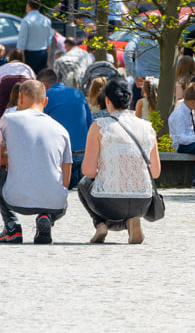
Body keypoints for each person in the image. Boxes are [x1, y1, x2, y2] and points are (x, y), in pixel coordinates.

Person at [78, 77, 160, 244]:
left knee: (83, 185)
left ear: (107, 100)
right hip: (143, 201)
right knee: (127, 203)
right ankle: (131, 222)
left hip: (109, 203)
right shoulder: (147, 127)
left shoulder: (99, 126)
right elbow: (156, 172)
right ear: (130, 99)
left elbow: (88, 171)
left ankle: (100, 224)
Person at [0, 80, 72, 244]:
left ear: (20, 97)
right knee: (57, 193)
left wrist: (8, 160)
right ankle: (47, 216)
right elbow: (66, 179)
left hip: (15, 200)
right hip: (56, 204)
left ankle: (12, 227)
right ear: (45, 101)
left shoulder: (7, 119)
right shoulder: (61, 130)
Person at [38, 68, 93, 190]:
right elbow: (90, 122)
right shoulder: (78, 93)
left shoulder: (46, 96)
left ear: (44, 85)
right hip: (83, 153)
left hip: (62, 155)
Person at [125, 18, 161, 106]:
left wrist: (135, 75)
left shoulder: (138, 38)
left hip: (142, 81)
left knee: (138, 115)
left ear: (146, 25)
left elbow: (127, 54)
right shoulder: (165, 39)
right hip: (160, 81)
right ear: (160, 25)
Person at [16, 0, 54, 74]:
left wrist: (20, 59)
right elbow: (48, 41)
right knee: (41, 78)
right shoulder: (46, 20)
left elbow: (22, 41)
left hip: (30, 54)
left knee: (29, 78)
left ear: (28, 6)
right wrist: (47, 59)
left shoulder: (26, 20)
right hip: (43, 53)